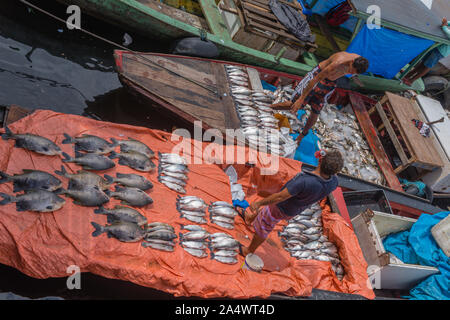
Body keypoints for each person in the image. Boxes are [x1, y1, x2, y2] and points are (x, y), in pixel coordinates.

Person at [238, 149, 344, 257]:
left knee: (264, 226)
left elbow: (280, 197)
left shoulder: (304, 181)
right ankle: (250, 219)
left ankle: (249, 251)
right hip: (295, 209)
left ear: (320, 160)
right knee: (266, 211)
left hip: (281, 207)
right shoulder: (334, 182)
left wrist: (259, 203)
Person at [270, 52, 369, 145]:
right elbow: (316, 79)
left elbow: (355, 72)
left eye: (353, 73)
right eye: (351, 70)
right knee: (294, 104)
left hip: (331, 82)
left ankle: (301, 136)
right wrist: (301, 99)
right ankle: (269, 107)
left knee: (316, 111)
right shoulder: (338, 62)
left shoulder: (359, 61)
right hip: (317, 76)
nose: (351, 73)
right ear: (352, 62)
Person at [402, 18, 450, 86]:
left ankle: (411, 80)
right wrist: (445, 23)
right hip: (437, 47)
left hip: (441, 51)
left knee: (427, 66)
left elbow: (448, 33)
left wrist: (444, 26)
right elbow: (447, 23)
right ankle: (408, 75)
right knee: (423, 63)